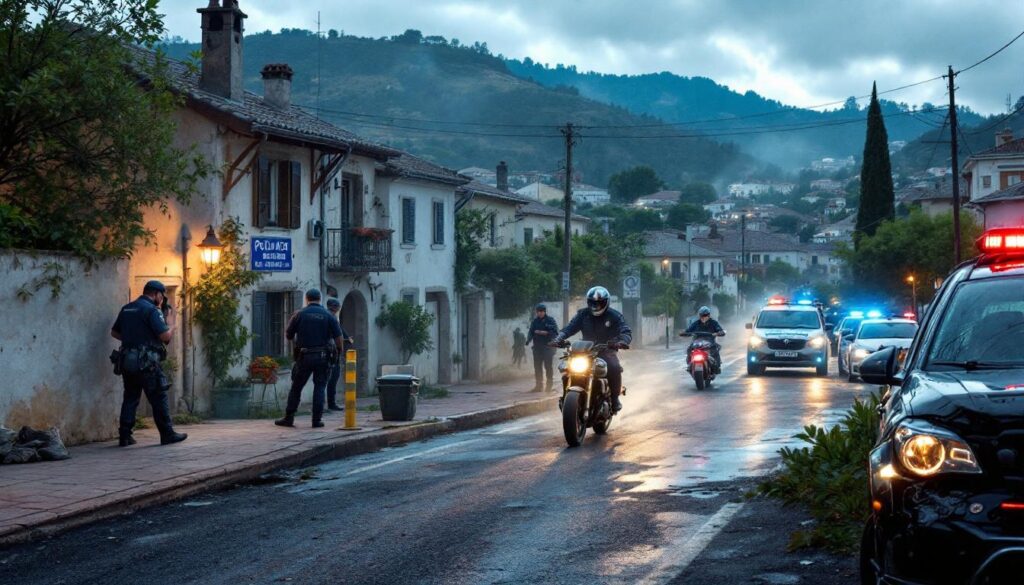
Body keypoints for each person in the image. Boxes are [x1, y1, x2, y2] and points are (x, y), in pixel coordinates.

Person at [110, 280, 187, 447]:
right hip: (147, 362)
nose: (162, 299)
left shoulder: (127, 308)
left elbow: (114, 332)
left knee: (130, 396)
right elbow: (165, 337)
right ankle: (167, 434)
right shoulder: (152, 310)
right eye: (162, 295)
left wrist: (134, 340)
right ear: (156, 294)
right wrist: (172, 325)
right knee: (158, 396)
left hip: (127, 361)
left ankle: (125, 436)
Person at [550, 286, 632, 412]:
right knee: (567, 369)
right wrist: (558, 338)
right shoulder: (583, 314)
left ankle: (615, 398)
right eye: (593, 303)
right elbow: (569, 328)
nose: (596, 306)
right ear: (589, 302)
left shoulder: (614, 316)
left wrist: (622, 341)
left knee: (614, 367)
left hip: (606, 350)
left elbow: (625, 330)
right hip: (585, 351)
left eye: (599, 303)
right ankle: (567, 397)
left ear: (606, 302)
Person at [276, 289, 344, 428]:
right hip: (323, 356)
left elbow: (288, 335)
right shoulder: (328, 315)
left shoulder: (299, 314)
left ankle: (289, 417)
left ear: (307, 299)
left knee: (296, 387)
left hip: (304, 356)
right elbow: (339, 337)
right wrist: (338, 352)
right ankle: (316, 420)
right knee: (319, 387)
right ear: (320, 299)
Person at [324, 297, 355, 413]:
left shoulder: (328, 317)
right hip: (332, 353)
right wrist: (344, 343)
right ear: (335, 308)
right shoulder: (331, 318)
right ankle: (331, 404)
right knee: (332, 378)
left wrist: (346, 339)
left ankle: (327, 404)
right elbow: (338, 334)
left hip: (326, 352)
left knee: (325, 380)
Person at [525, 304, 559, 392]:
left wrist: (543, 332)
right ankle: (538, 386)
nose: (539, 313)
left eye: (541, 311)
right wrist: (528, 340)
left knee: (548, 366)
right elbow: (531, 332)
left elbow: (555, 332)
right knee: (537, 367)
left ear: (544, 311)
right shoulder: (535, 321)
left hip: (548, 347)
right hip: (537, 348)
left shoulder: (550, 320)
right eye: (538, 312)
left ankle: (549, 386)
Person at [683, 306, 726, 373]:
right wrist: (685, 333)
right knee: (689, 349)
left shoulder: (714, 323)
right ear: (699, 315)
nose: (703, 317)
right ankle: (690, 365)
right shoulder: (696, 323)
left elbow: (720, 330)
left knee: (716, 349)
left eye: (705, 315)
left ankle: (717, 366)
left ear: (708, 315)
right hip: (697, 342)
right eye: (701, 315)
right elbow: (688, 330)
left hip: (710, 342)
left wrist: (719, 333)